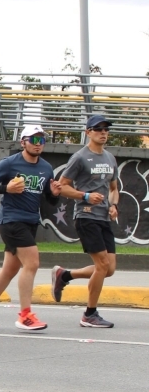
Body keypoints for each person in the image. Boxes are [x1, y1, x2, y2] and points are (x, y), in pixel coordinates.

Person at [0, 125, 62, 331]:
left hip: (31, 221)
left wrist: (54, 194)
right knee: (32, 263)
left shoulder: (46, 168)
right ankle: (25, 315)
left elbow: (49, 201)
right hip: (11, 220)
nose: (38, 144)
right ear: (23, 142)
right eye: (34, 140)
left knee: (10, 269)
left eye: (42, 140)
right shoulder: (10, 163)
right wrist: (7, 188)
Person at [52, 115, 119, 328]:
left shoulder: (110, 158)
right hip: (86, 216)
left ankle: (65, 275)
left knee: (109, 269)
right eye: (98, 129)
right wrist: (86, 196)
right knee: (102, 265)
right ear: (88, 132)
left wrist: (114, 205)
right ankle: (89, 314)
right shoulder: (80, 158)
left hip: (103, 218)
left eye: (106, 129)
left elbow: (114, 188)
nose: (103, 132)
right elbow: (62, 186)